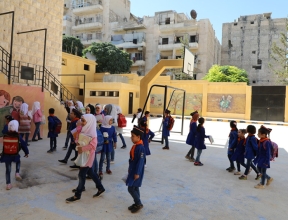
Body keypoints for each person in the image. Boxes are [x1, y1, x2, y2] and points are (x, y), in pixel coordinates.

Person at [66, 114, 105, 203]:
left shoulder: (93, 134)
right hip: (83, 155)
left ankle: (77, 195)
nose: (82, 123)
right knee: (90, 172)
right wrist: (77, 142)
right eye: (82, 120)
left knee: (81, 175)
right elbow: (78, 139)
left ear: (89, 122)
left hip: (88, 156)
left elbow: (93, 146)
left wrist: (82, 148)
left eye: (83, 121)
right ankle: (100, 188)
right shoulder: (83, 130)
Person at [1, 120, 29, 190]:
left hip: (6, 155)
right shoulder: (18, 137)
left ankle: (8, 184)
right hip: (15, 154)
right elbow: (23, 145)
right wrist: (26, 152)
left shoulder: (5, 135)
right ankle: (17, 172)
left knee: (8, 169)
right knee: (18, 161)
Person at [126, 126, 145, 213]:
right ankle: (136, 203)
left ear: (138, 137)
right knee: (135, 187)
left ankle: (139, 203)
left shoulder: (140, 148)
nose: (131, 137)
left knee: (130, 188)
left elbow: (141, 162)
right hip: (133, 169)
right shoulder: (136, 146)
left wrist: (137, 173)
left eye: (133, 136)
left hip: (137, 171)